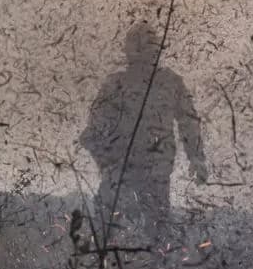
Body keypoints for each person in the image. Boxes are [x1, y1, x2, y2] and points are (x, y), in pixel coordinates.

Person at [80, 21, 206, 246]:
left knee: (157, 236)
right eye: (141, 48)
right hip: (120, 172)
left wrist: (196, 158)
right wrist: (107, 163)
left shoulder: (171, 82)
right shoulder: (116, 84)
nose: (146, 55)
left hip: (154, 173)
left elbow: (189, 121)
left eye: (149, 48)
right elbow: (91, 133)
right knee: (105, 236)